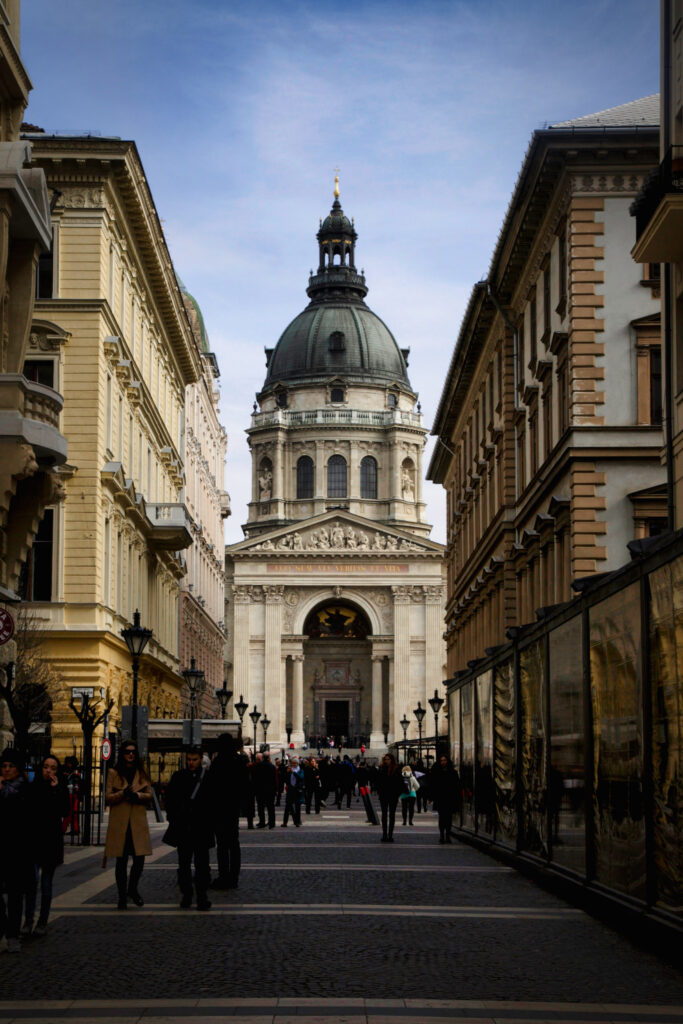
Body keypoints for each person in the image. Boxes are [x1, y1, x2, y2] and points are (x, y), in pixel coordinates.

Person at [24, 754, 69, 935]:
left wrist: (56, 790)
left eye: (52, 768)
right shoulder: (33, 788)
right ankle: (28, 921)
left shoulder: (59, 788)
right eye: (45, 766)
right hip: (34, 841)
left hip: (51, 841)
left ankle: (42, 921)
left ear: (57, 772)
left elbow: (64, 810)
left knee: (47, 884)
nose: (48, 770)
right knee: (31, 883)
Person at [104, 742, 153, 908]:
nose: (130, 755)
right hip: (121, 822)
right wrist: (122, 794)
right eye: (127, 752)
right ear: (122, 754)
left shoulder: (141, 773)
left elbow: (149, 795)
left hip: (137, 822)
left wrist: (137, 796)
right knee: (121, 860)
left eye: (133, 752)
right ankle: (122, 896)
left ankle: (132, 889)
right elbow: (108, 797)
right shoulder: (113, 773)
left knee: (139, 858)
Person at [164, 747, 213, 910]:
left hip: (201, 828)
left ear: (200, 760)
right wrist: (173, 817)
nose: (191, 763)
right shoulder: (179, 776)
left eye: (194, 759)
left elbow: (214, 802)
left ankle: (202, 896)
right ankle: (186, 894)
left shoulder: (207, 778)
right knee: (183, 864)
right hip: (184, 827)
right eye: (189, 760)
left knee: (202, 865)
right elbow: (169, 799)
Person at [0, 748, 32, 953]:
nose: (7, 769)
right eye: (3, 766)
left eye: (11, 766)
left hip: (18, 850)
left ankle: (13, 934)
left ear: (19, 770)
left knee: (15, 895)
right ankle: (5, 926)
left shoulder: (25, 791)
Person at [209, 732, 247, 890]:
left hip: (219, 809)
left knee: (222, 845)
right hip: (233, 809)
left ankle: (224, 876)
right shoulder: (239, 761)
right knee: (234, 844)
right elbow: (244, 785)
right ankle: (234, 877)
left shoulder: (218, 762)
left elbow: (212, 786)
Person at [430, 754, 461, 843]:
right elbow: (433, 785)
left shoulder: (453, 772)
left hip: (450, 798)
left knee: (448, 817)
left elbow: (456, 786)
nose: (443, 762)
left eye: (444, 760)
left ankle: (447, 835)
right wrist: (432, 796)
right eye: (441, 760)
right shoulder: (437, 772)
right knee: (442, 817)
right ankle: (442, 835)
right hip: (440, 798)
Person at [375, 752, 403, 842]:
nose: (386, 761)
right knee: (384, 815)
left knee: (392, 815)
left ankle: (390, 835)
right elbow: (378, 781)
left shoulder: (396, 769)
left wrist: (397, 793)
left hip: (393, 795)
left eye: (388, 759)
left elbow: (400, 782)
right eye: (385, 759)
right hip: (383, 795)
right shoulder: (382, 769)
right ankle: (384, 834)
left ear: (392, 760)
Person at [253, 752, 277, 828]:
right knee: (271, 807)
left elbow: (255, 778)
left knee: (261, 807)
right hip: (270, 790)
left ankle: (262, 822)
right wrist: (275, 789)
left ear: (263, 757)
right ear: (269, 757)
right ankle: (272, 823)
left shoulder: (258, 765)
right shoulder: (272, 766)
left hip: (260, 789)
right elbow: (274, 779)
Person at [281, 757, 304, 827]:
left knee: (297, 806)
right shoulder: (289, 770)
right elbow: (285, 779)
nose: (293, 765)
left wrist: (294, 772)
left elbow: (301, 778)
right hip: (290, 789)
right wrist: (287, 773)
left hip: (297, 789)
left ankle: (297, 822)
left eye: (295, 763)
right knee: (288, 806)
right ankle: (285, 822)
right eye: (292, 763)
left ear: (298, 763)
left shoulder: (300, 770)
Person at [61, 755, 81, 835]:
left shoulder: (75, 772)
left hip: (73, 794)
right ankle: (74, 829)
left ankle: (66, 829)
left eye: (69, 763)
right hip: (70, 794)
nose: (67, 764)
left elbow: (77, 783)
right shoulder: (68, 771)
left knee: (71, 813)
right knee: (72, 813)